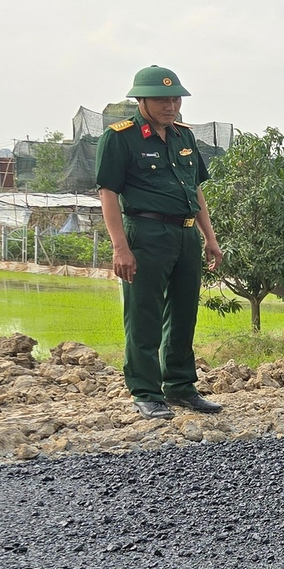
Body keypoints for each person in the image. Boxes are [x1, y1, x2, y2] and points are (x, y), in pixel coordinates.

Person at [93, 65, 225, 419]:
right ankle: (146, 390)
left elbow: (195, 189)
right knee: (144, 314)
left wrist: (209, 237)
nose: (171, 105)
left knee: (184, 313)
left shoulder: (184, 137)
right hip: (146, 233)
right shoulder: (120, 137)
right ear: (141, 100)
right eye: (162, 99)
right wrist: (120, 247)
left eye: (175, 98)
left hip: (185, 235)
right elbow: (108, 194)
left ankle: (180, 386)